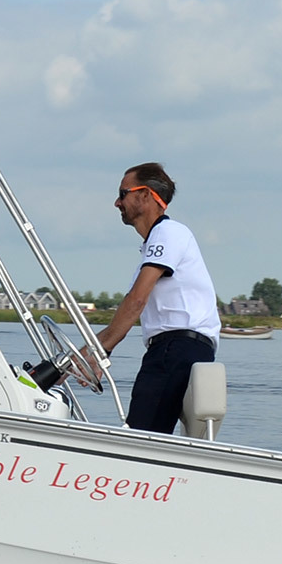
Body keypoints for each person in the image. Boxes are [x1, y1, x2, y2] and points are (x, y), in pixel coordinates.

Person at [90, 162, 220, 433]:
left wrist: (99, 352)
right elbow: (131, 305)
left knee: (142, 437)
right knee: (148, 433)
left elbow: (137, 301)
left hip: (175, 350)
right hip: (179, 349)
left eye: (123, 193)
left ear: (145, 195)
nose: (116, 202)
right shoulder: (156, 245)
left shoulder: (168, 233)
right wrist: (89, 352)